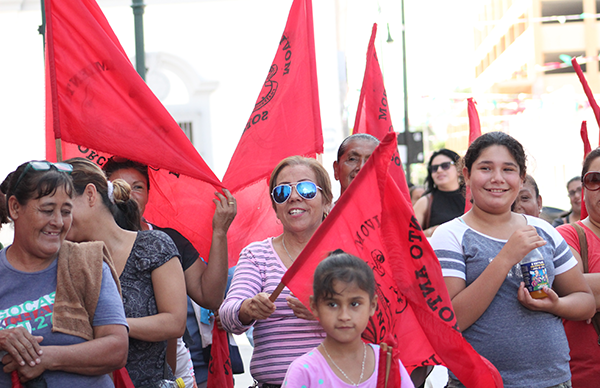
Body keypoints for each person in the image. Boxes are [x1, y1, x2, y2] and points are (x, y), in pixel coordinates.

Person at [430, 132, 595, 388]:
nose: (497, 178)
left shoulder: (544, 231)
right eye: (485, 168)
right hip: (479, 382)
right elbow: (454, 320)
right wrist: (506, 257)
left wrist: (555, 305)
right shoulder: (450, 234)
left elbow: (585, 301)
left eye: (508, 169)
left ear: (520, 178)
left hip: (553, 380)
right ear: (466, 175)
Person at [102, 156, 236, 388]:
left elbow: (210, 296)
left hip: (166, 372)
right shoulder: (88, 244)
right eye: (119, 187)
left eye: (138, 187)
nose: (130, 195)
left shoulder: (168, 241)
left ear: (148, 194)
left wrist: (220, 232)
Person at [0, 161, 128, 386]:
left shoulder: (87, 263)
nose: (58, 222)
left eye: (66, 211)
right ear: (15, 208)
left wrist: (46, 358)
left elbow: (117, 348)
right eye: (47, 210)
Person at [64, 158, 188, 387]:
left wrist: (113, 327)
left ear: (90, 195)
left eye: (65, 208)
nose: (58, 219)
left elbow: (175, 322)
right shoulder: (64, 261)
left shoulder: (153, 245)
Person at [220, 156, 332, 387]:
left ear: (327, 201)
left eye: (306, 189)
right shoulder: (257, 255)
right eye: (282, 192)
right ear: (275, 208)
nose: (293, 197)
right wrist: (248, 308)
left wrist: (324, 312)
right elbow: (228, 316)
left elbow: (373, 318)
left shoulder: (347, 255)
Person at [282, 250, 414, 388]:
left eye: (354, 304)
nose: (344, 316)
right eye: (332, 304)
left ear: (372, 305)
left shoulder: (386, 363)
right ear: (314, 306)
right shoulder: (304, 371)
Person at [556, 149, 600, 387]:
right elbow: (574, 290)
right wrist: (584, 291)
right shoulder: (566, 235)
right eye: (595, 179)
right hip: (584, 376)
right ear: (584, 189)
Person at [413, 149, 464, 237]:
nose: (439, 170)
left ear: (459, 169)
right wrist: (430, 232)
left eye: (445, 166)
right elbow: (409, 236)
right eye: (434, 168)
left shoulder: (474, 199)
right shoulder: (425, 202)